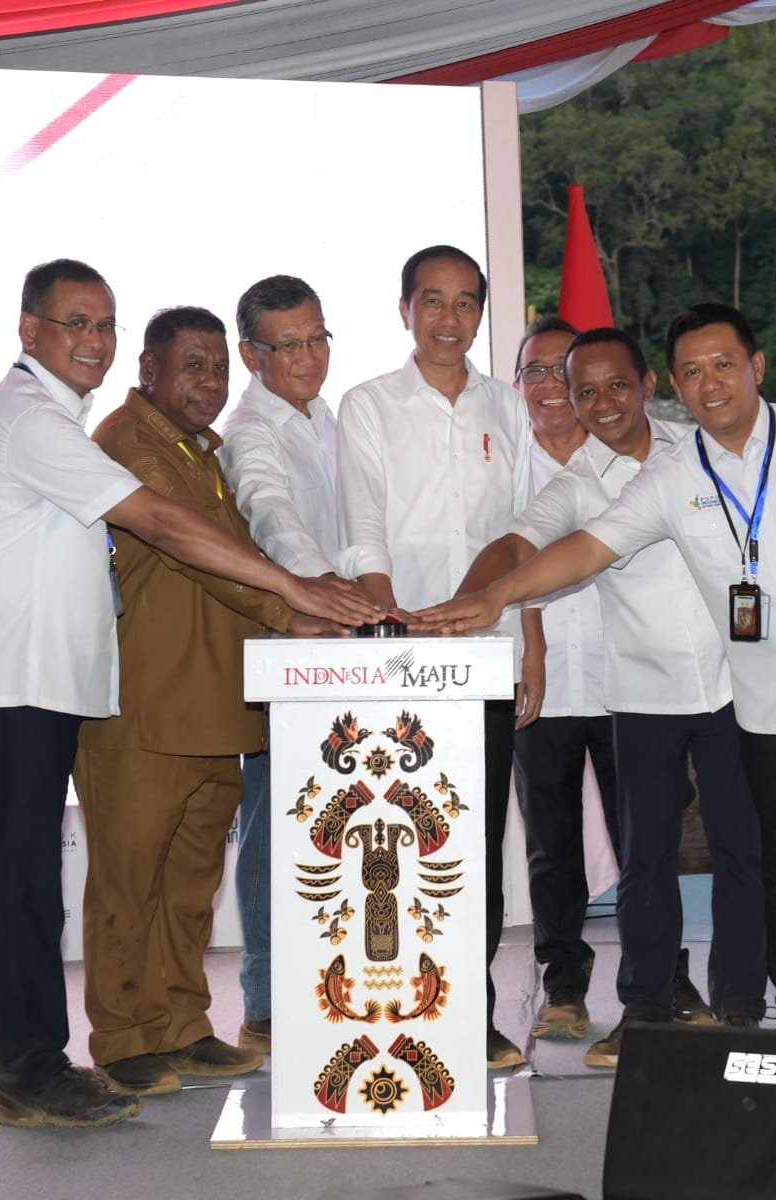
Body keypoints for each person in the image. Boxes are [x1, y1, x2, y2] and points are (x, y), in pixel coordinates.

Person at [415, 302, 776, 1038]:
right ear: (676, 382)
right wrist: (495, 597)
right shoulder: (670, 478)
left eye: (723, 365)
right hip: (763, 705)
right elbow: (585, 549)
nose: (711, 383)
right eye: (693, 372)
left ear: (755, 367)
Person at [0, 261, 377, 1129]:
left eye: (102, 324)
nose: (91, 341)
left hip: (54, 681)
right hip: (30, 681)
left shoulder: (124, 432)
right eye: (75, 325)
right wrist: (298, 596)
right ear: (30, 332)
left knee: (5, 868)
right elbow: (170, 528)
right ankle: (32, 1069)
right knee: (34, 879)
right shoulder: (51, 423)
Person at [453, 327, 766, 1069]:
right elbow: (522, 544)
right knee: (646, 862)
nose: (601, 403)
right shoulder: (572, 484)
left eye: (615, 385)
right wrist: (472, 596)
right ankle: (646, 1010)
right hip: (643, 696)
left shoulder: (700, 449)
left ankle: (743, 1009)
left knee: (743, 854)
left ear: (648, 383)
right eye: (584, 390)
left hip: (732, 685)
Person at [75, 305, 344, 1096]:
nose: (211, 382)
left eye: (220, 366)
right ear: (147, 372)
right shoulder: (127, 441)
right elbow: (191, 547)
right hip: (141, 711)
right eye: (191, 365)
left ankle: (183, 1024)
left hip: (214, 707)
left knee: (190, 885)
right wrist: (291, 608)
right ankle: (125, 1039)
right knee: (130, 884)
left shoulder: (204, 449)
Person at [336, 244, 539, 1069]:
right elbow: (363, 530)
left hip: (486, 660)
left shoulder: (511, 408)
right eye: (432, 301)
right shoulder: (368, 404)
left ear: (480, 314)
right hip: (398, 663)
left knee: (474, 846)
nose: (448, 319)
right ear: (405, 310)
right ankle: (381, 1014)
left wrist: (529, 646)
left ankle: (470, 1015)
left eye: (464, 303)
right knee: (391, 845)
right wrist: (390, 631)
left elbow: (526, 533)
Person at [219, 274, 347, 1055]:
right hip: (291, 650)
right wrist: (323, 590)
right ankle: (265, 1005)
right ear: (250, 354)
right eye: (287, 344)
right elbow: (270, 512)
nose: (307, 357)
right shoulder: (250, 429)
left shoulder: (327, 415)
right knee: (272, 828)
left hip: (348, 652)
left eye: (317, 339)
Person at [507, 318, 622, 1043]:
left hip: (626, 681)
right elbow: (512, 567)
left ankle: (659, 980)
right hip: (537, 683)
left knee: (646, 838)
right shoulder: (502, 466)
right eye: (534, 373)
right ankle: (564, 987)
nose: (549, 386)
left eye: (561, 371)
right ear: (517, 386)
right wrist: (535, 650)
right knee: (551, 845)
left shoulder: (625, 462)